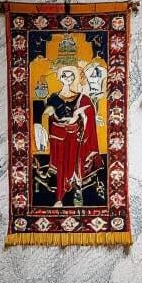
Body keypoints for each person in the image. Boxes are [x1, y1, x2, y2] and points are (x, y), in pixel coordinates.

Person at [33, 35, 101, 207]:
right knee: (61, 167)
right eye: (65, 76)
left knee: (73, 166)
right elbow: (47, 113)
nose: (68, 79)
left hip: (74, 137)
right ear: (60, 78)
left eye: (71, 76)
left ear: (75, 78)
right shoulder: (54, 97)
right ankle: (59, 198)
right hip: (59, 137)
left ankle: (74, 193)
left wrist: (80, 114)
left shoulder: (82, 97)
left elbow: (88, 113)